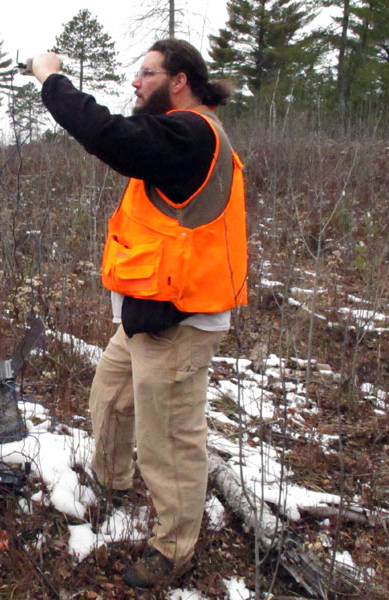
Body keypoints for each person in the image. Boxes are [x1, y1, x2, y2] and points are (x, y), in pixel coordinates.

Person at [26, 40, 247, 589]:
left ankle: (174, 548)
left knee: (168, 439)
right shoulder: (178, 134)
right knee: (110, 398)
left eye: (146, 73)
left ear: (179, 81)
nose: (135, 82)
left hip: (179, 321)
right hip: (149, 316)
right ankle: (111, 482)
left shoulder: (192, 134)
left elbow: (109, 135)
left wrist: (52, 80)